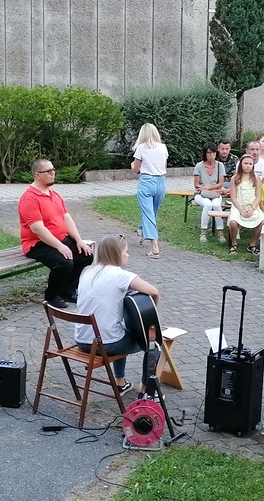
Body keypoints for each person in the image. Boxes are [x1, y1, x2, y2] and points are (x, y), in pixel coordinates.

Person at [73, 233, 162, 391]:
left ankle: (120, 383)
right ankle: (146, 389)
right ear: (116, 254)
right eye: (125, 251)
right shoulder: (121, 276)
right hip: (106, 344)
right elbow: (154, 292)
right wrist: (150, 315)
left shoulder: (86, 272)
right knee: (154, 342)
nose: (128, 255)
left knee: (120, 329)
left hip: (82, 340)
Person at [19, 157, 93, 308]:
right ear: (37, 175)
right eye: (48, 171)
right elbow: (37, 229)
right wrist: (60, 246)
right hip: (37, 244)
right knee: (64, 263)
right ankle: (51, 298)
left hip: (59, 240)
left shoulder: (54, 194)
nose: (53, 173)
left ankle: (67, 290)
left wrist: (79, 240)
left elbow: (67, 218)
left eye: (53, 170)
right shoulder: (29, 198)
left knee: (85, 255)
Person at [131, 123, 169, 259]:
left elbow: (136, 169)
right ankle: (142, 230)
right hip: (161, 182)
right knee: (152, 212)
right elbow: (163, 166)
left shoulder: (141, 148)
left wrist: (132, 165)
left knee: (148, 214)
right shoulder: (163, 147)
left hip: (146, 182)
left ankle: (155, 248)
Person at [226, 152, 264, 254]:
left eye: (250, 164)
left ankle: (252, 244)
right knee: (233, 222)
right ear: (241, 164)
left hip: (252, 206)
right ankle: (234, 243)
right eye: (245, 163)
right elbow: (233, 197)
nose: (248, 166)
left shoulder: (256, 178)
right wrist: (240, 210)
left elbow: (258, 196)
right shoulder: (235, 178)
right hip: (238, 206)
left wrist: (252, 208)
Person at [193, 142, 228, 242]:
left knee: (216, 205)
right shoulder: (199, 166)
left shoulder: (220, 165)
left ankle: (220, 233)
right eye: (208, 153)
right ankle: (203, 232)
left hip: (215, 193)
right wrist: (208, 189)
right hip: (201, 194)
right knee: (208, 204)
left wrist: (207, 188)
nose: (211, 155)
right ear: (205, 154)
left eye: (213, 153)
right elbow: (196, 185)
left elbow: (220, 183)